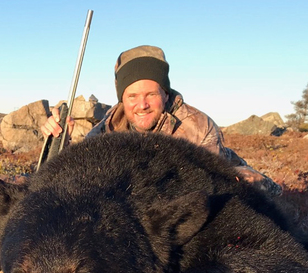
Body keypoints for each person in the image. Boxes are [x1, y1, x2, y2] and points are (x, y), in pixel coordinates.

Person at [41, 45, 282, 197]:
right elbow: (81, 174)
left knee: (251, 189)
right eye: (132, 96)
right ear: (122, 99)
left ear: (165, 94)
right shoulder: (107, 128)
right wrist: (59, 143)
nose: (141, 105)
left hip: (217, 177)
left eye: (151, 95)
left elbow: (207, 189)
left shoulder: (199, 127)